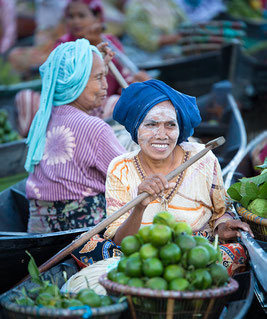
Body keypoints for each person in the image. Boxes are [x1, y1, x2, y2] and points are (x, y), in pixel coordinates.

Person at [72, 80, 253, 275]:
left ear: (179, 129)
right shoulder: (120, 167)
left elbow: (221, 213)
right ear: (136, 128)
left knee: (238, 251)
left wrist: (223, 227)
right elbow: (121, 242)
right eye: (151, 124)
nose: (161, 135)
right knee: (84, 245)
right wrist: (139, 206)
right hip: (143, 254)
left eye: (170, 125)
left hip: (195, 249)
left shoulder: (203, 158)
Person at [25, 38, 126, 233]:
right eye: (99, 77)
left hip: (39, 228)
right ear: (76, 81)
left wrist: (94, 63)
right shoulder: (95, 128)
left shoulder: (44, 117)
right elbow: (129, 178)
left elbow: (82, 114)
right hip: (82, 230)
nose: (106, 85)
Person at [55, 0, 150, 118]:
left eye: (81, 16)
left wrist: (135, 83)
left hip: (112, 101)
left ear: (97, 17)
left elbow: (123, 78)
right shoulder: (63, 46)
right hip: (80, 109)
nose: (76, 21)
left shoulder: (109, 41)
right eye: (71, 16)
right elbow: (71, 87)